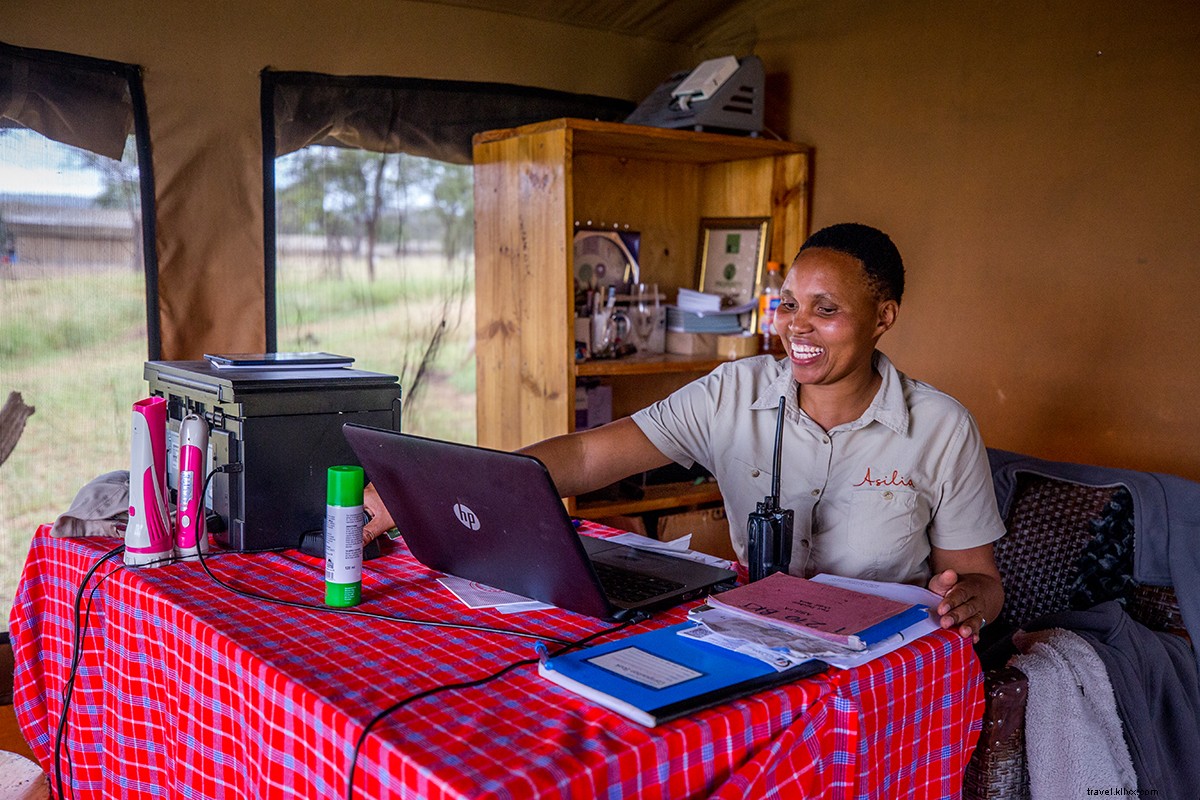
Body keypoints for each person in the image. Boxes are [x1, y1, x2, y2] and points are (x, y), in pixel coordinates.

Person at [364, 222, 1005, 641]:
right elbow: (587, 455)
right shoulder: (734, 391)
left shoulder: (943, 427)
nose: (796, 327)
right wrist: (435, 492)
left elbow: (980, 580)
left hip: (877, 660)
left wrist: (969, 599)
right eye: (788, 304)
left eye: (827, 310)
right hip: (755, 634)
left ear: (883, 317)